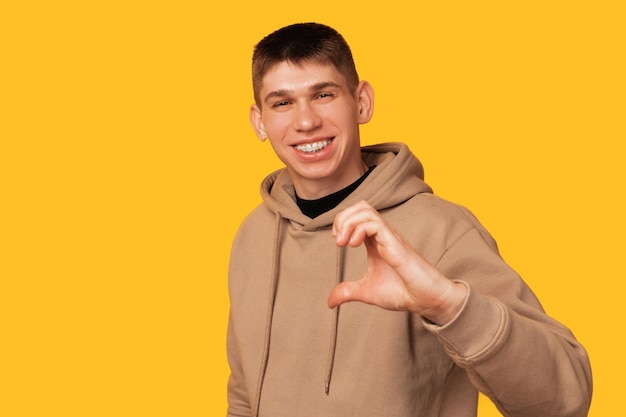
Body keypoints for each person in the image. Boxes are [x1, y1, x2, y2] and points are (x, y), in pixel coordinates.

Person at [226, 22, 592, 417]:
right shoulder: (254, 234)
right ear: (260, 121)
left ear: (362, 101)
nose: (306, 121)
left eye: (324, 94)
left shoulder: (441, 231)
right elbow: (244, 394)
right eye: (282, 103)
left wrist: (448, 307)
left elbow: (563, 400)